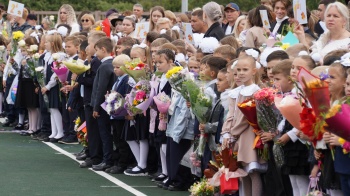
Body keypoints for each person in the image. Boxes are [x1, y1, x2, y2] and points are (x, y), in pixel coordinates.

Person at [222, 56, 265, 196]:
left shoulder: (255, 91)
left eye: (245, 70)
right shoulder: (237, 91)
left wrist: (233, 133)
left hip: (248, 135)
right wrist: (226, 132)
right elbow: (232, 114)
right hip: (237, 135)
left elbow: (245, 118)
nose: (241, 73)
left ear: (254, 71)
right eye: (238, 70)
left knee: (252, 172)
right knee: (243, 173)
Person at [77, 31, 105, 168]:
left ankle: (95, 157)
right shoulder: (92, 61)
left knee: (94, 132)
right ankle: (92, 154)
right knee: (91, 130)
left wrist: (79, 76)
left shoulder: (97, 62)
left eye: (89, 44)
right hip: (88, 99)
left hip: (92, 101)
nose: (87, 47)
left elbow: (93, 81)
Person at [323, 58, 350, 196]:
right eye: (347, 84)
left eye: (332, 77)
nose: (348, 88)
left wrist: (341, 141)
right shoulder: (339, 104)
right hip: (341, 164)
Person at [91, 37, 116, 171]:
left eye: (97, 51)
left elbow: (100, 88)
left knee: (105, 134)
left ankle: (107, 160)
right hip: (109, 105)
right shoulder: (110, 64)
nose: (96, 54)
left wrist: (96, 107)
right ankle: (108, 158)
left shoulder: (105, 66)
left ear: (103, 49)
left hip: (104, 106)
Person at [106, 54, 133, 174]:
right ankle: (118, 161)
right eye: (114, 67)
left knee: (122, 141)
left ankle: (123, 163)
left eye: (118, 67)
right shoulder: (118, 80)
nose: (115, 69)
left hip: (121, 115)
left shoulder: (127, 80)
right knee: (116, 139)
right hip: (115, 114)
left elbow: (125, 97)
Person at [41, 33, 66, 142]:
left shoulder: (60, 55)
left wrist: (48, 86)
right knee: (51, 108)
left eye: (46, 42)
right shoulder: (48, 55)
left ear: (52, 43)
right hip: (47, 84)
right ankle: (54, 131)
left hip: (54, 85)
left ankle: (60, 132)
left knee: (55, 108)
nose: (44, 44)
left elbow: (56, 73)